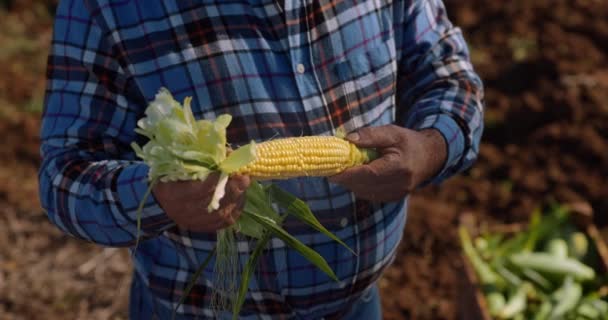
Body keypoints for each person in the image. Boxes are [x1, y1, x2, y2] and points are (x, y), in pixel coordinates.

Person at [39, 1, 483, 319]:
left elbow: (446, 71)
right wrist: (156, 197)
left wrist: (431, 146)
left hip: (358, 304)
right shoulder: (107, 9)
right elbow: (65, 174)